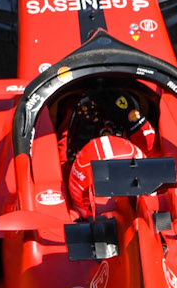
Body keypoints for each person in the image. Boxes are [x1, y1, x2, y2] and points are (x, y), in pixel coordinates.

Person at [58, 87, 159, 217]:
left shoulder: (67, 218)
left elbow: (60, 169)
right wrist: (136, 123)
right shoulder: (157, 211)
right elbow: (157, 159)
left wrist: (70, 111)